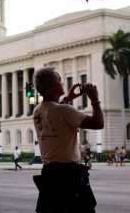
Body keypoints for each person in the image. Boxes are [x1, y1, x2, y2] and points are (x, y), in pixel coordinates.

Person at [32, 67, 104, 213]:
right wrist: (95, 99)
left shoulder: (37, 110)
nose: (63, 84)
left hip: (48, 173)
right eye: (60, 81)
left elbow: (55, 109)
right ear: (53, 85)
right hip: (69, 175)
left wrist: (68, 99)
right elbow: (98, 123)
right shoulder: (65, 111)